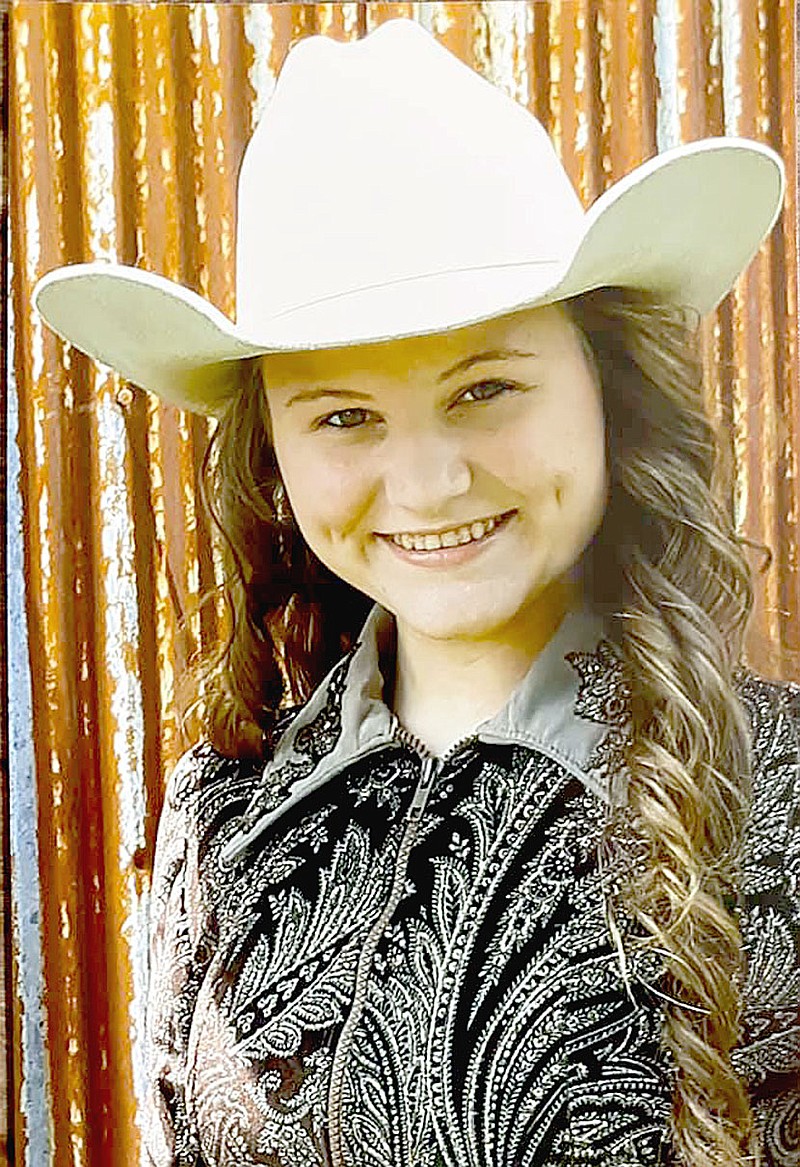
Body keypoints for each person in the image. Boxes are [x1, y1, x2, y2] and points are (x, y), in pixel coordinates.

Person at [32, 18, 798, 1167]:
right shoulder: (219, 820)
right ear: (272, 458)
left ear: (607, 389)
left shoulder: (781, 788)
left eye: (483, 386)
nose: (430, 483)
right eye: (343, 415)